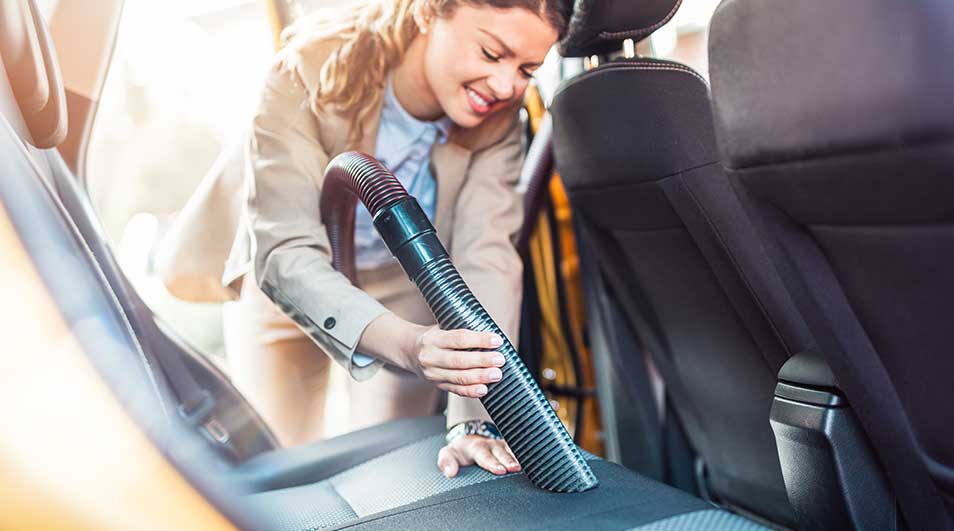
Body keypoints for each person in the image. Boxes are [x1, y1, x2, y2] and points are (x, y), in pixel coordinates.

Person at [157, 0, 568, 477]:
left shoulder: (499, 120)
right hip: (285, 286)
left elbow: (488, 256)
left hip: (401, 285)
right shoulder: (307, 70)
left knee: (393, 465)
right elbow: (286, 251)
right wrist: (406, 345)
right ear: (430, 11)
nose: (504, 85)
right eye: (491, 53)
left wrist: (473, 421)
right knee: (277, 462)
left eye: (527, 70)